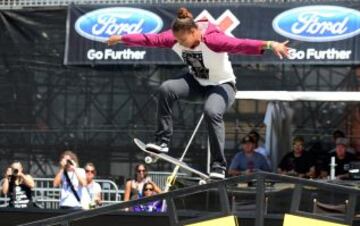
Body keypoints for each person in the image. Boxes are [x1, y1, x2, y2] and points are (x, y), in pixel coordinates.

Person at [107, 7, 290, 179]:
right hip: (196, 82)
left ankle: (218, 165)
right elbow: (148, 39)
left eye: (184, 41)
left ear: (195, 32)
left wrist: (271, 44)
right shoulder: (172, 38)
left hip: (222, 85)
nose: (181, 45)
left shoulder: (213, 40)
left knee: (211, 111)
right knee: (166, 88)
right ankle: (162, 141)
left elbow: (240, 44)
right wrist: (122, 38)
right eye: (178, 41)